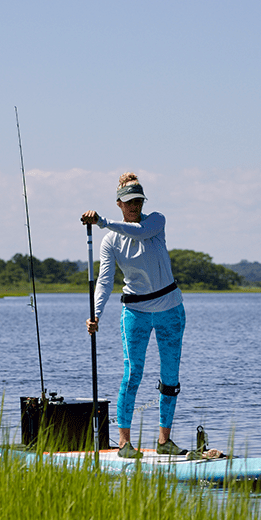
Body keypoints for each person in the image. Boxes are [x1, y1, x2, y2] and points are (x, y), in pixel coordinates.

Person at [81, 173, 199, 459]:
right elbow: (105, 281)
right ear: (119, 203)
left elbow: (138, 232)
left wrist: (104, 222)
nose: (134, 206)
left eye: (138, 201)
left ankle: (164, 440)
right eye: (129, 202)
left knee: (170, 376)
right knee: (132, 373)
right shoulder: (109, 241)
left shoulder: (156, 221)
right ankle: (124, 443)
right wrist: (95, 314)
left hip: (170, 307)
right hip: (135, 311)